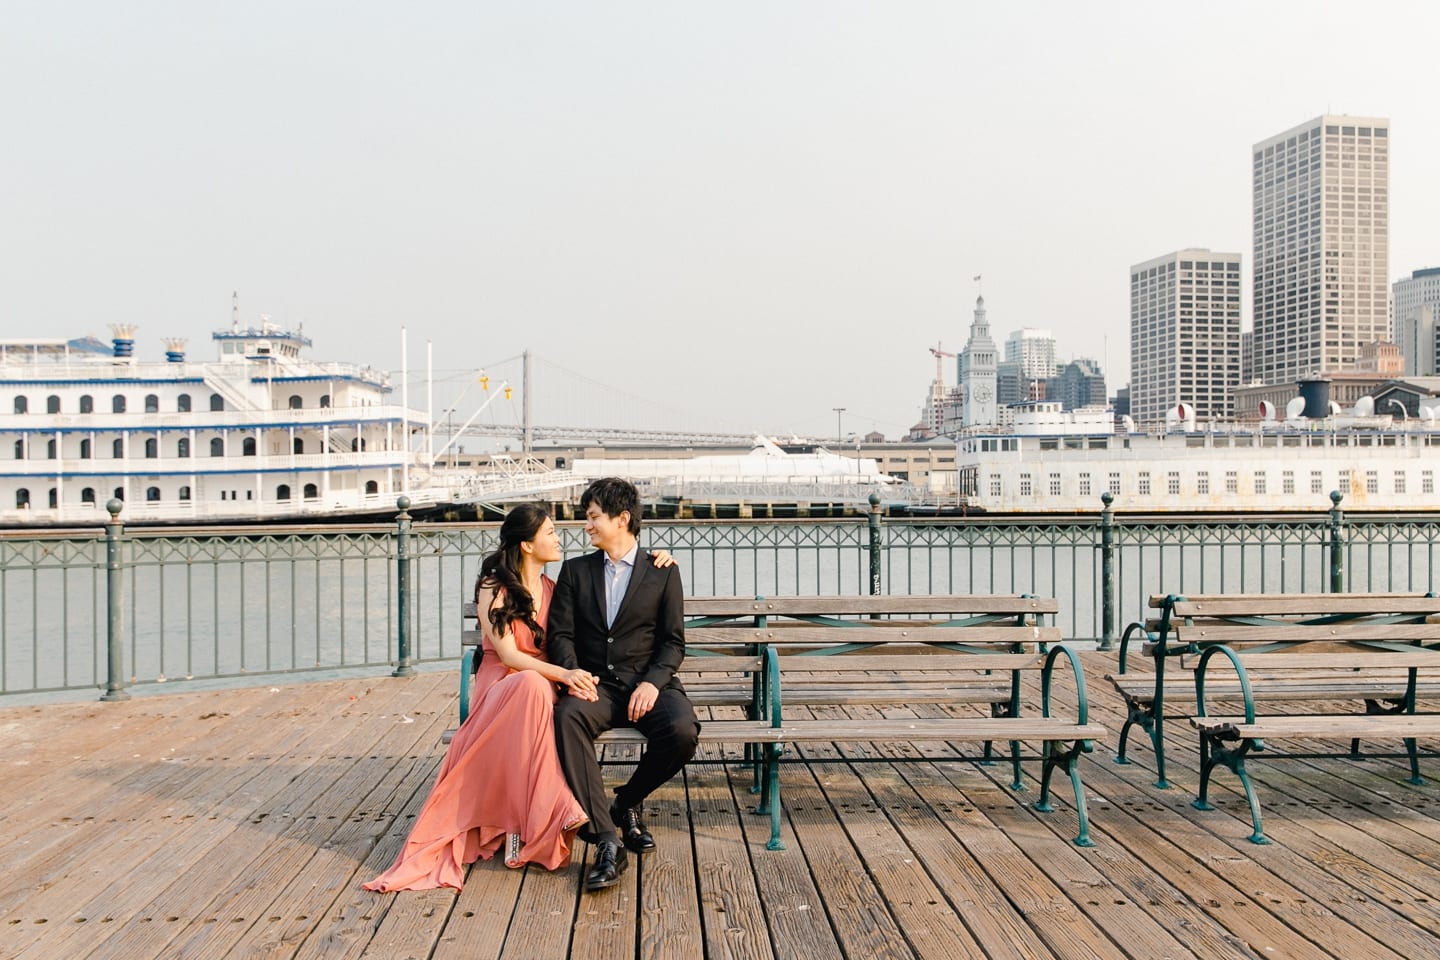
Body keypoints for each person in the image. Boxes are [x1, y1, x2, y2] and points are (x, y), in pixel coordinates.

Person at [363, 503, 674, 892]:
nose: (559, 538)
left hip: (544, 686)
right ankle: (547, 815)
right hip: (506, 683)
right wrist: (565, 675)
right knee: (531, 687)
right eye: (550, 533)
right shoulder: (495, 587)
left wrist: (652, 559)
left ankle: (532, 824)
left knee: (544, 696)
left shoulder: (553, 589)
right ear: (527, 545)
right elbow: (510, 656)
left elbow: (591, 625)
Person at [547, 477, 700, 893]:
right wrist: (573, 672)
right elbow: (559, 634)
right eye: (587, 517)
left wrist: (652, 684)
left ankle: (625, 801)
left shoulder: (662, 571)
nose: (587, 525)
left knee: (683, 732)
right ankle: (608, 840)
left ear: (622, 519)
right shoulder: (575, 571)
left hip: (647, 683)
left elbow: (673, 641)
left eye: (593, 517)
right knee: (566, 718)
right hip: (596, 686)